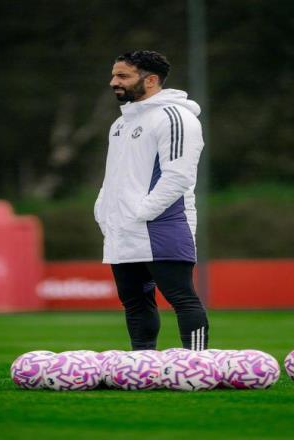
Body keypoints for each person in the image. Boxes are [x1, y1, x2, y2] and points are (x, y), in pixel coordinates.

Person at [94, 50, 209, 351]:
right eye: (114, 75)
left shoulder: (175, 117)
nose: (113, 82)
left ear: (151, 80)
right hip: (122, 229)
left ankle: (198, 364)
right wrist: (104, 213)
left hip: (162, 225)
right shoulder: (120, 124)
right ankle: (141, 365)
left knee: (181, 298)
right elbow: (113, 177)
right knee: (135, 302)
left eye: (123, 76)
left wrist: (141, 212)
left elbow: (178, 176)